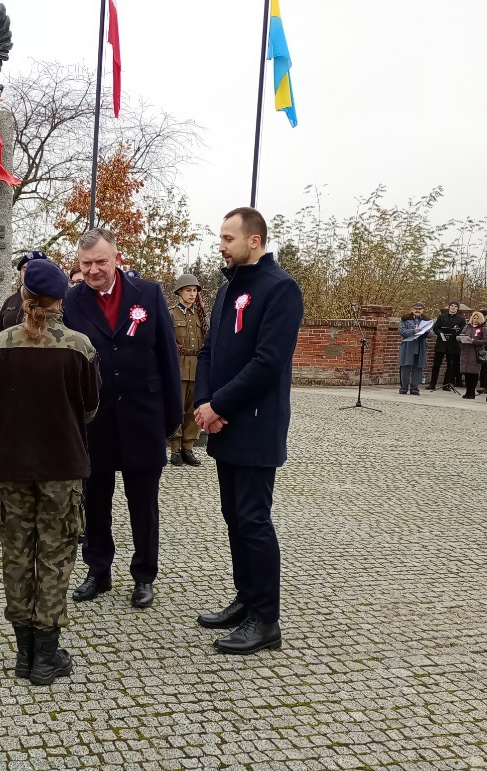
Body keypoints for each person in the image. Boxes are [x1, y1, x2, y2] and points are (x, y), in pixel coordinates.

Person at [0, 258, 100, 685]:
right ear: (61, 298)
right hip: (61, 468)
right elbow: (89, 408)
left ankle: (25, 653)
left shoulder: (1, 345)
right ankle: (45, 654)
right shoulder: (80, 347)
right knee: (56, 555)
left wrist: (12, 429)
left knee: (17, 554)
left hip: (11, 467)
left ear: (22, 294)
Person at [193, 207, 303, 655]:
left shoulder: (281, 289)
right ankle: (246, 597)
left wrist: (219, 404)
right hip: (223, 423)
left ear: (253, 241)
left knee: (254, 520)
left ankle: (266, 619)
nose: (221, 245)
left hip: (255, 426)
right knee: (234, 517)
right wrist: (204, 404)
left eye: (227, 237)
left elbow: (268, 362)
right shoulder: (225, 288)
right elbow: (207, 351)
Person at [63, 229, 181, 610]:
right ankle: (98, 570)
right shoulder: (72, 300)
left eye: (100, 261)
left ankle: (144, 575)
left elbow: (167, 355)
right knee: (95, 501)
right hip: (95, 420)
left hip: (142, 417)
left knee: (143, 504)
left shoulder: (148, 293)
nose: (94, 269)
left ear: (116, 257)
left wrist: (171, 417)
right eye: (86, 264)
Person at [168, 274, 207, 467]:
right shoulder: (171, 314)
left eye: (194, 291)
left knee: (193, 410)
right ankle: (175, 448)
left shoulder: (200, 315)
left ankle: (188, 447)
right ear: (179, 292)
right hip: (178, 366)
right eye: (188, 290)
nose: (192, 294)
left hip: (197, 367)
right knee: (177, 408)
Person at [0, 251, 48, 334]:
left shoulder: (53, 300)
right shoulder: (10, 300)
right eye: (25, 269)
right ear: (20, 272)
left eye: (34, 269)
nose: (28, 273)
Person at [427, 301, 465, 391]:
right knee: (436, 364)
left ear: (457, 308)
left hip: (453, 344)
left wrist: (454, 335)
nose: (453, 308)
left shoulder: (461, 319)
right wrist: (440, 333)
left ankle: (446, 384)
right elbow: (436, 327)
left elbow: (463, 330)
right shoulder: (442, 317)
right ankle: (432, 383)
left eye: (455, 306)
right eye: (452, 306)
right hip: (441, 344)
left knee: (450, 365)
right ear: (449, 307)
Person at [398, 303, 432, 395]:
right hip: (408, 345)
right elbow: (401, 331)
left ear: (423, 310)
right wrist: (413, 331)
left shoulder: (427, 320)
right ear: (412, 309)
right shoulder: (405, 319)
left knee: (418, 368)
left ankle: (414, 388)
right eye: (416, 309)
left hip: (420, 346)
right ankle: (404, 388)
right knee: (405, 367)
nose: (418, 310)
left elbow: (432, 334)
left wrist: (427, 331)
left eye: (420, 309)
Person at [457, 311, 487, 400]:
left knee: (473, 372)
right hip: (466, 351)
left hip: (475, 352)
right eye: (474, 318)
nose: (475, 320)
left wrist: (474, 341)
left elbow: (485, 340)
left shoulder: (483, 328)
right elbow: (462, 334)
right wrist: (459, 338)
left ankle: (472, 392)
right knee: (466, 373)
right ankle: (468, 392)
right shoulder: (467, 327)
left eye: (477, 318)